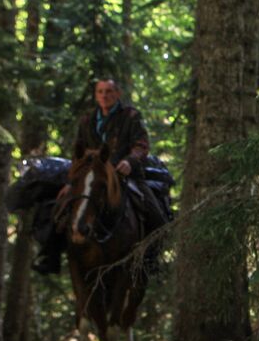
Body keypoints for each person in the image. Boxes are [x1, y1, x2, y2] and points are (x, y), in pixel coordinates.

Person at [32, 78, 170, 275]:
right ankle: (50, 256)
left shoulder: (130, 116)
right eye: (100, 92)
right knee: (59, 208)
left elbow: (141, 144)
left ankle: (151, 258)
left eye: (109, 91)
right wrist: (71, 182)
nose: (104, 95)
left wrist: (129, 161)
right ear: (96, 95)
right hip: (91, 175)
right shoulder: (87, 120)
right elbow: (78, 153)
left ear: (117, 94)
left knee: (155, 213)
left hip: (126, 174)